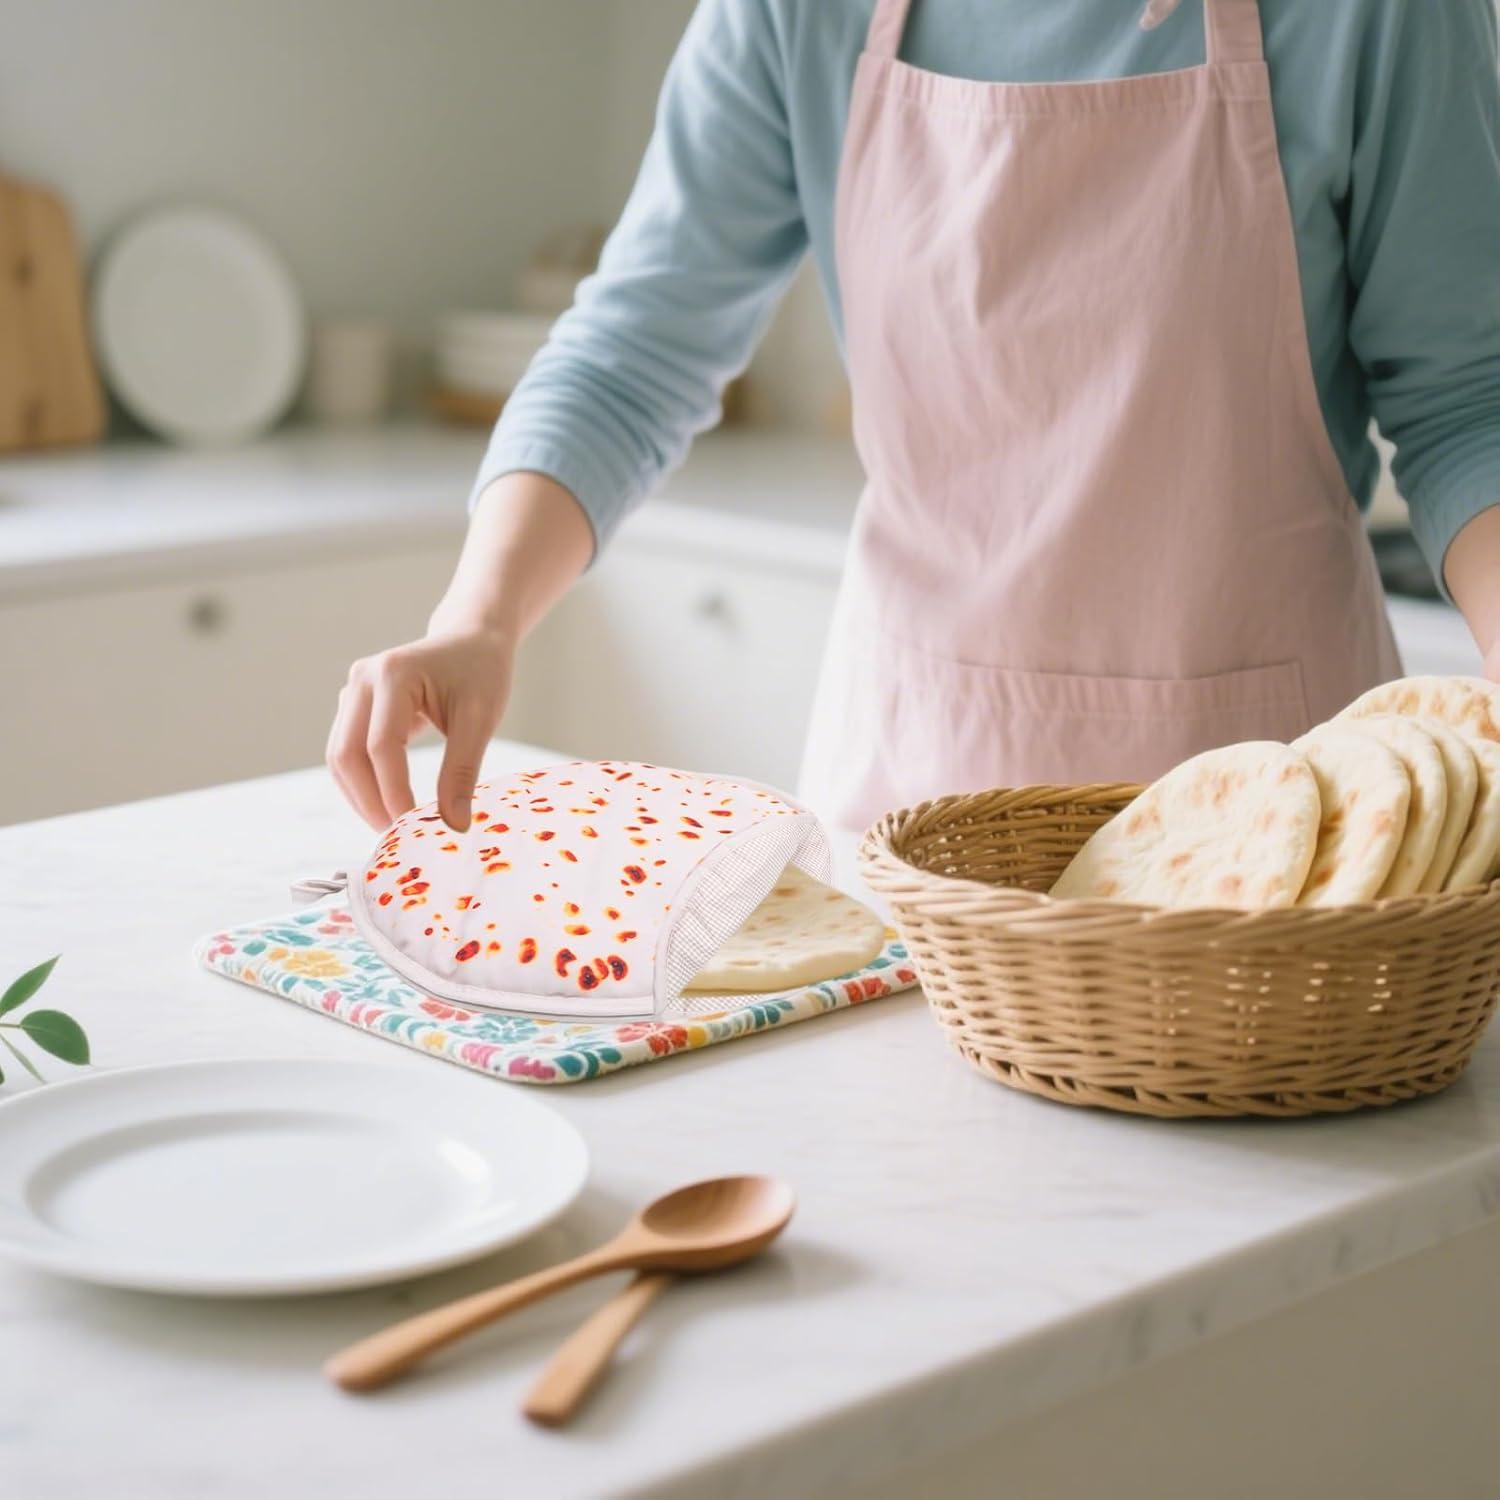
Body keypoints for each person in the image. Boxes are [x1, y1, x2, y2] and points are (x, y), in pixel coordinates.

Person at [328, 0, 1500, 835]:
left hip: (1285, 817)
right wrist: (478, 618)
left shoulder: (1380, 13)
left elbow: (1470, 403)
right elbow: (635, 350)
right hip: (911, 804)